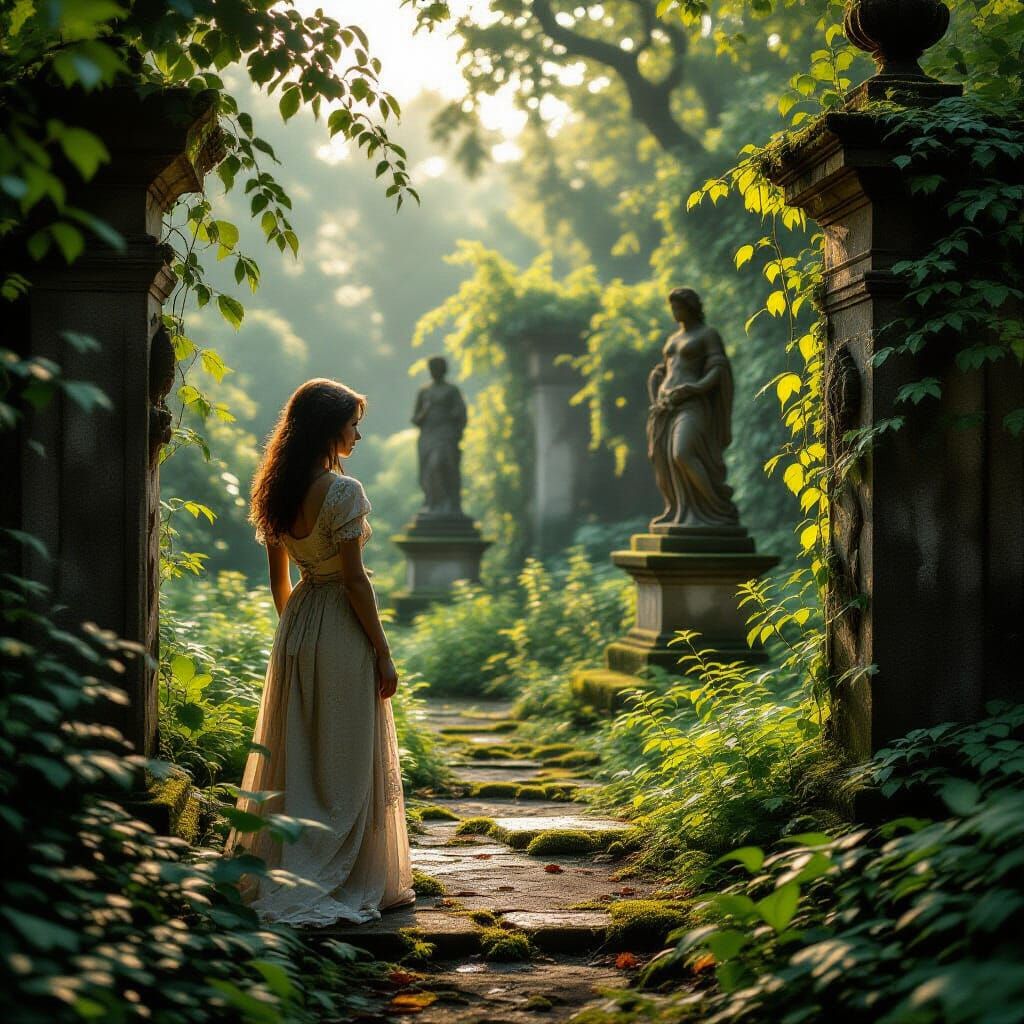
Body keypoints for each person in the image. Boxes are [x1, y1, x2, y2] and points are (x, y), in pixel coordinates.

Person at [232, 378, 414, 927]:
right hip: (339, 622)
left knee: (303, 748)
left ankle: (293, 859)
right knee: (346, 752)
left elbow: (279, 582)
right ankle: (342, 868)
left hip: (299, 623)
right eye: (353, 424)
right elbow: (355, 581)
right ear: (329, 428)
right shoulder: (343, 492)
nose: (358, 434)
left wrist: (296, 635)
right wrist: (383, 652)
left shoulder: (276, 491)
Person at [647, 287, 741, 529]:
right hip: (666, 407)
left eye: (678, 307)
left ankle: (718, 508)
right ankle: (676, 510)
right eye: (672, 307)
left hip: (691, 404)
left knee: (682, 453)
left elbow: (719, 369)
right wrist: (656, 391)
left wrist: (695, 388)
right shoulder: (672, 339)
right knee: (664, 461)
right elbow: (665, 370)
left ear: (691, 308)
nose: (674, 311)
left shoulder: (707, 334)